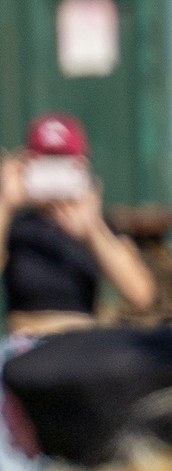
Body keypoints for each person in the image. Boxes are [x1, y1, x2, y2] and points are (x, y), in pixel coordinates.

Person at [0, 114, 158, 335]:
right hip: (27, 341)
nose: (53, 176)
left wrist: (91, 229)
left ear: (81, 166)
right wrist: (5, 204)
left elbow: (141, 296)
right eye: (45, 165)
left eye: (61, 165)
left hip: (81, 343)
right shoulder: (16, 227)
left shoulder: (98, 228)